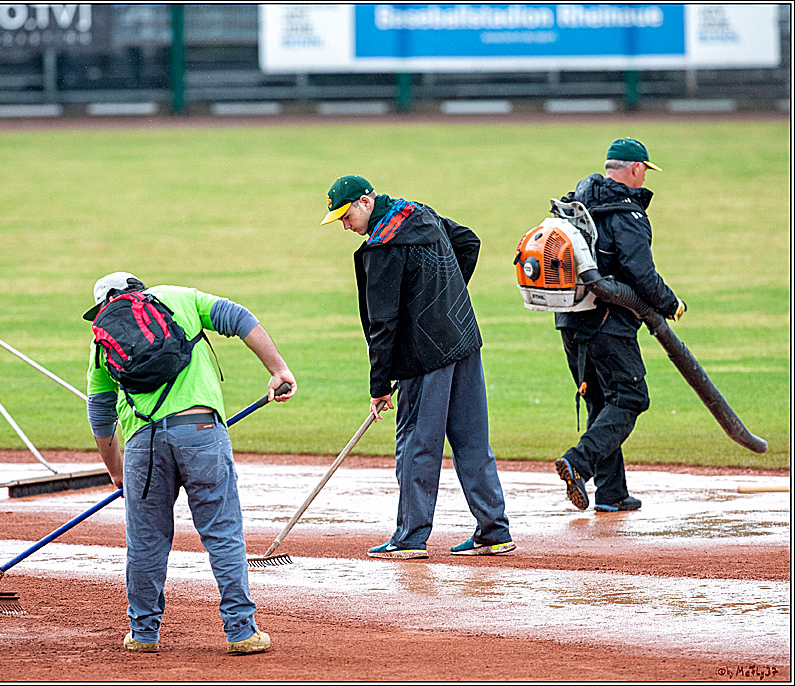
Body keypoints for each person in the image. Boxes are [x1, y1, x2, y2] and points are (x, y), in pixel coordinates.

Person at [84, 272, 296, 655]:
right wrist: (278, 370)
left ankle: (144, 634)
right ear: (140, 290)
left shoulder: (103, 335)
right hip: (201, 431)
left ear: (105, 304)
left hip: (143, 445)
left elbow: (100, 413)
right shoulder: (179, 298)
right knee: (222, 533)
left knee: (147, 541)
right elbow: (240, 318)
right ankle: (241, 632)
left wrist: (116, 470)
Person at [319, 175, 513, 559]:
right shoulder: (420, 213)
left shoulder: (382, 248)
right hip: (463, 339)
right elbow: (468, 242)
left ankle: (409, 538)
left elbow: (383, 325)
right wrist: (446, 300)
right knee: (472, 439)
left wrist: (379, 385)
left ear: (365, 202)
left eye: (346, 216)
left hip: (423, 357)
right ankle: (495, 531)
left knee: (415, 444)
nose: (345, 225)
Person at [553, 138, 685, 512]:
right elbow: (640, 272)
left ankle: (611, 493)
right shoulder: (626, 213)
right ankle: (577, 463)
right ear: (635, 169)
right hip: (608, 320)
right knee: (629, 397)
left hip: (569, 320)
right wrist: (670, 303)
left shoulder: (577, 202)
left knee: (599, 399)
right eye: (644, 171)